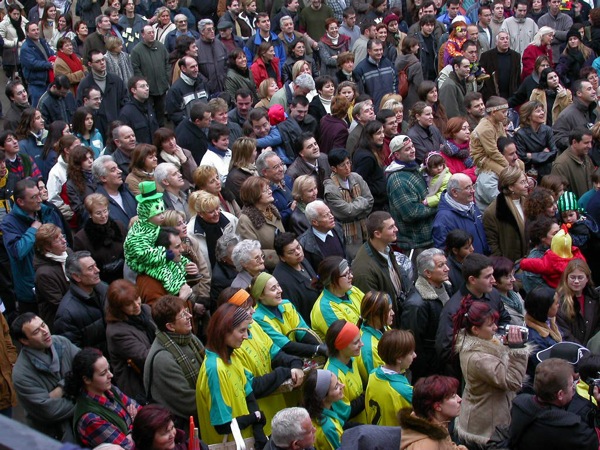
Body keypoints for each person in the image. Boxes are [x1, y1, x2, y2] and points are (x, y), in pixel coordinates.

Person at [452, 297, 528, 447]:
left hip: (483, 417)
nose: (495, 327)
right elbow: (513, 382)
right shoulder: (479, 358)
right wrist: (517, 350)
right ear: (475, 330)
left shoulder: (482, 343)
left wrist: (506, 346)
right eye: (490, 324)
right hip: (487, 429)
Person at [11, 313, 79, 440]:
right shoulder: (21, 374)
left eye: (43, 325)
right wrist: (84, 399)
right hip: (57, 436)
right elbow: (49, 411)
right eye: (37, 331)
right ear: (24, 341)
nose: (45, 331)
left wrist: (61, 388)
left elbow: (87, 368)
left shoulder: (61, 342)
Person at [2, 178, 66, 313]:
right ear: (20, 201)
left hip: (56, 279)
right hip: (30, 289)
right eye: (34, 197)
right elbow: (17, 251)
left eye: (39, 194)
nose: (39, 199)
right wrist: (33, 231)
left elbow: (63, 239)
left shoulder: (46, 211)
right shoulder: (9, 223)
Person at [509, 358, 599, 450]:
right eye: (572, 385)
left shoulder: (519, 404)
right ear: (560, 394)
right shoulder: (574, 429)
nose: (574, 389)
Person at [144, 295, 204, 428]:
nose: (189, 316)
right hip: (182, 428)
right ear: (170, 326)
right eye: (183, 315)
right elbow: (187, 402)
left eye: (187, 310)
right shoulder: (163, 359)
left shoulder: (188, 338)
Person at [64, 347, 140, 449]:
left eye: (108, 369)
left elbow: (143, 413)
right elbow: (128, 447)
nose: (111, 375)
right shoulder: (90, 418)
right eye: (103, 373)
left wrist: (131, 430)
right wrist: (134, 422)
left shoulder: (110, 389)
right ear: (86, 379)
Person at [401, 248, 452, 381]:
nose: (447, 268)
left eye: (446, 264)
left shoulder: (447, 287)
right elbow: (415, 345)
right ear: (428, 273)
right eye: (441, 266)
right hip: (431, 370)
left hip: (445, 360)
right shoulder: (416, 305)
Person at [251, 272, 325, 358]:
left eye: (278, 286)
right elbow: (285, 345)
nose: (280, 290)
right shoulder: (258, 318)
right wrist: (317, 349)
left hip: (297, 356)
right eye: (273, 289)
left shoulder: (286, 305)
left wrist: (321, 347)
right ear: (261, 295)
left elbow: (303, 332)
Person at [105, 279, 155, 404]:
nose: (136, 305)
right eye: (129, 304)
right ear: (119, 308)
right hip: (139, 386)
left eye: (137, 298)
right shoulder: (117, 332)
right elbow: (145, 356)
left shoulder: (145, 310)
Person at [386, 134, 437, 256]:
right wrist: (437, 204)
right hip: (416, 244)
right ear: (397, 155)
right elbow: (411, 212)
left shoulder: (412, 168)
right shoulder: (398, 180)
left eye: (412, 146)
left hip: (428, 239)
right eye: (407, 149)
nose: (413, 150)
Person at [53, 251, 108, 352]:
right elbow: (73, 352)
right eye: (90, 268)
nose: (97, 270)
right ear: (76, 277)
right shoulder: (66, 314)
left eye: (95, 265)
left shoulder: (104, 289)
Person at [324, 147, 373, 256]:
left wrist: (356, 207)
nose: (347, 167)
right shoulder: (331, 188)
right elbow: (347, 211)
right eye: (342, 165)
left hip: (365, 226)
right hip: (347, 233)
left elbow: (370, 201)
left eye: (348, 163)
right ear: (334, 168)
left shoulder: (356, 177)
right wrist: (361, 201)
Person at [398, 375, 467, 450]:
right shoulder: (427, 444)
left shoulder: (438, 426)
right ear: (437, 406)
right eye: (453, 396)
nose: (460, 399)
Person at [365, 329, 416, 426]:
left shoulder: (373, 374)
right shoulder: (406, 392)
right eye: (411, 353)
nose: (415, 355)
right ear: (399, 358)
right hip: (394, 439)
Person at [432, 173, 488, 255]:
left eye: (472, 186)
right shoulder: (443, 219)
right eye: (468, 188)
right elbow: (444, 252)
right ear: (454, 192)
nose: (473, 190)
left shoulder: (471, 205)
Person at [236, 176, 285, 271]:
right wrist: (281, 256)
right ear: (253, 195)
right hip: (269, 270)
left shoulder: (272, 210)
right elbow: (252, 253)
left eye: (269, 188)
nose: (270, 191)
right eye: (265, 191)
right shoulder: (245, 220)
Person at [310, 256, 363, 340]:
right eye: (346, 274)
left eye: (350, 271)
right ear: (332, 282)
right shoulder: (325, 309)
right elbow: (348, 341)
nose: (351, 276)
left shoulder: (352, 290)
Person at [323, 320, 367, 423]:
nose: (362, 344)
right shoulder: (333, 376)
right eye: (356, 342)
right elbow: (345, 412)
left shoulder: (351, 358)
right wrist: (369, 393)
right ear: (341, 346)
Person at [483, 166, 529, 261]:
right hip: (511, 266)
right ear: (511, 187)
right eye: (522, 182)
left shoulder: (528, 203)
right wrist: (504, 266)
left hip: (529, 261)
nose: (527, 185)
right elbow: (492, 244)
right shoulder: (493, 212)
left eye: (526, 181)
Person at [187, 190, 238, 271]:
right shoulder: (190, 233)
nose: (217, 213)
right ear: (200, 214)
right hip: (211, 278)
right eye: (211, 212)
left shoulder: (230, 220)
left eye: (217, 208)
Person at [33, 223, 71, 330]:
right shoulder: (44, 274)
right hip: (60, 322)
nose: (64, 241)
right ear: (47, 247)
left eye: (62, 236)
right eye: (58, 240)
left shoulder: (68, 253)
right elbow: (58, 304)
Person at [555, 259, 600, 345]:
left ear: (587, 279)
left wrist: (592, 345)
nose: (576, 281)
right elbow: (564, 332)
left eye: (580, 277)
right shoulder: (559, 301)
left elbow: (597, 327)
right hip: (571, 350)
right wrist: (581, 350)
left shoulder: (595, 298)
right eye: (572, 277)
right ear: (566, 278)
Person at [523, 287, 562, 380]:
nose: (558, 305)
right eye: (556, 303)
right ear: (545, 308)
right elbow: (546, 369)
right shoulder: (534, 339)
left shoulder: (551, 321)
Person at [302, 368, 345, 450]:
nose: (342, 385)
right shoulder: (328, 429)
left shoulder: (315, 412)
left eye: (339, 381)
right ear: (322, 398)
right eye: (336, 387)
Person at [552, 80, 597, 152]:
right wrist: (578, 144)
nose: (594, 91)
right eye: (589, 89)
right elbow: (558, 138)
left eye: (593, 88)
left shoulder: (593, 110)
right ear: (579, 93)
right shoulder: (567, 115)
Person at [132, 404, 199, 450]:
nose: (172, 435)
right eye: (165, 433)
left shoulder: (182, 444)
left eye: (172, 427)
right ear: (148, 439)